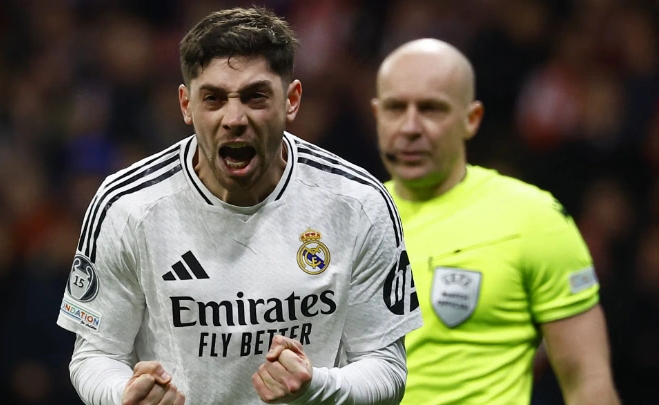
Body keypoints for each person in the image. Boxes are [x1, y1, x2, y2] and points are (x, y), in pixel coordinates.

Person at [56, 7, 422, 405]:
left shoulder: (358, 203)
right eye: (213, 98)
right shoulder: (127, 206)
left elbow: (387, 366)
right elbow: (95, 354)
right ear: (186, 104)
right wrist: (122, 395)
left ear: (292, 100)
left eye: (255, 96)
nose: (234, 118)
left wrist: (316, 387)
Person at [371, 38, 621, 405]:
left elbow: (588, 380)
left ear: (471, 119)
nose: (410, 127)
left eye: (431, 109)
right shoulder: (347, 219)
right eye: (395, 108)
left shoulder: (533, 218)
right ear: (377, 115)